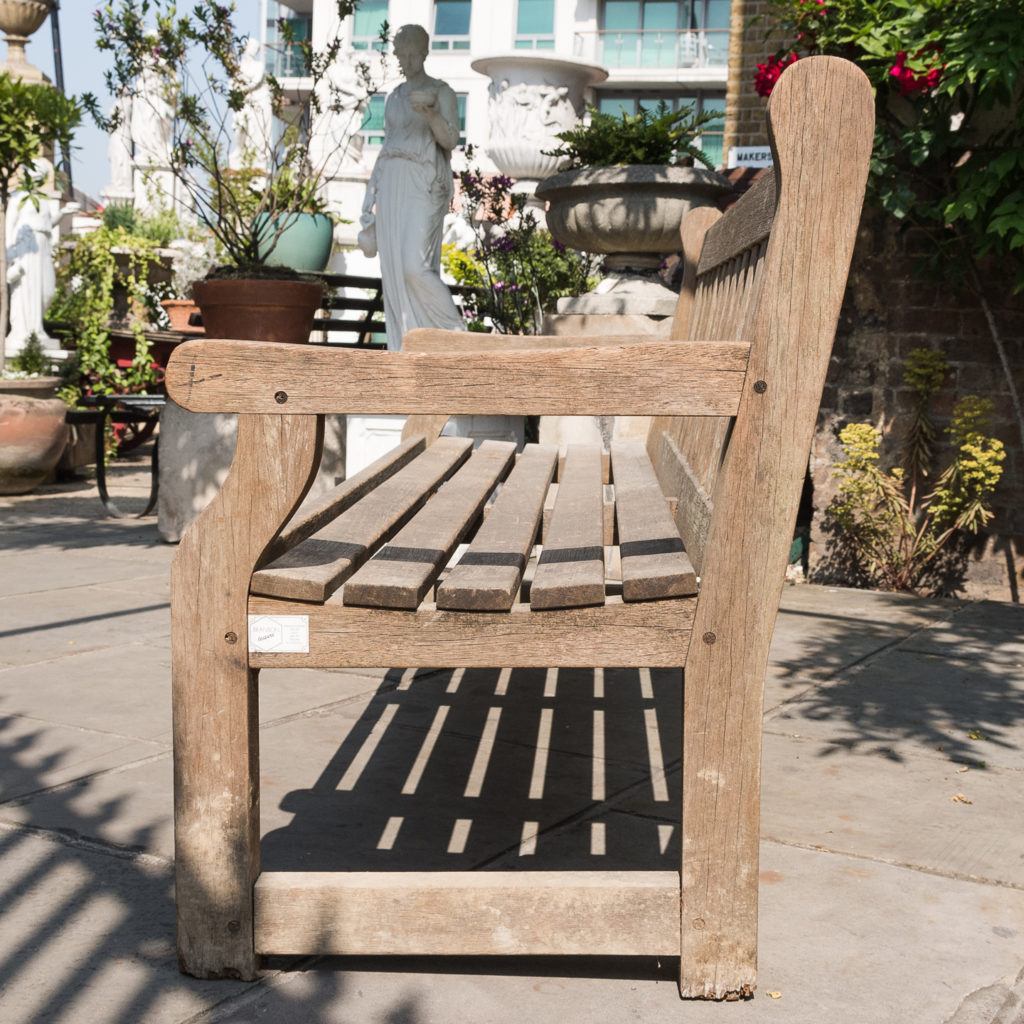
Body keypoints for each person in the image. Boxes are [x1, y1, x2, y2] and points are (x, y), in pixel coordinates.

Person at [358, 24, 465, 350]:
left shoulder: (440, 92)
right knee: (393, 271)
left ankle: (455, 335)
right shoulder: (394, 98)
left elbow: (450, 140)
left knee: (413, 266)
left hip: (424, 179)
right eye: (399, 55)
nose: (403, 60)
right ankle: (405, 345)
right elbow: (388, 144)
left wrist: (431, 113)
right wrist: (369, 195)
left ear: (423, 53)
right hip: (391, 180)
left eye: (409, 54)